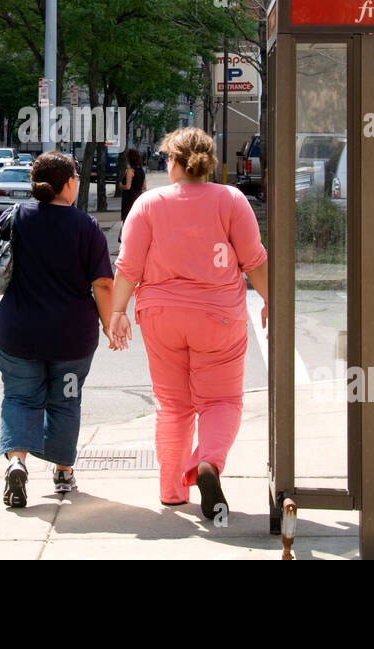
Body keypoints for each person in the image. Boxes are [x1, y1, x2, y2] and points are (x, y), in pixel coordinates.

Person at [107, 127, 269, 520]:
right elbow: (253, 259)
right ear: (209, 163)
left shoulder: (148, 204)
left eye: (167, 158)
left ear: (175, 161)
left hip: (161, 315)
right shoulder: (231, 200)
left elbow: (129, 266)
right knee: (222, 400)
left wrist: (117, 312)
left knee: (172, 405)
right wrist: (271, 300)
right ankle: (209, 462)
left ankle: (172, 490)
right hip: (219, 315)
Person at [0, 151, 117, 508]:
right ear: (69, 183)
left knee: (20, 397)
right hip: (71, 338)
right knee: (65, 402)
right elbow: (102, 284)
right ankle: (64, 472)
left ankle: (17, 462)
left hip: (18, 333)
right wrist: (108, 322)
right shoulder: (86, 227)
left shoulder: (14, 217)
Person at [118, 148, 146, 223]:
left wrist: (121, 185)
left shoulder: (130, 171)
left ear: (130, 159)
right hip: (138, 197)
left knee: (127, 218)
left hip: (129, 198)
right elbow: (144, 187)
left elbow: (128, 186)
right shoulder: (142, 171)